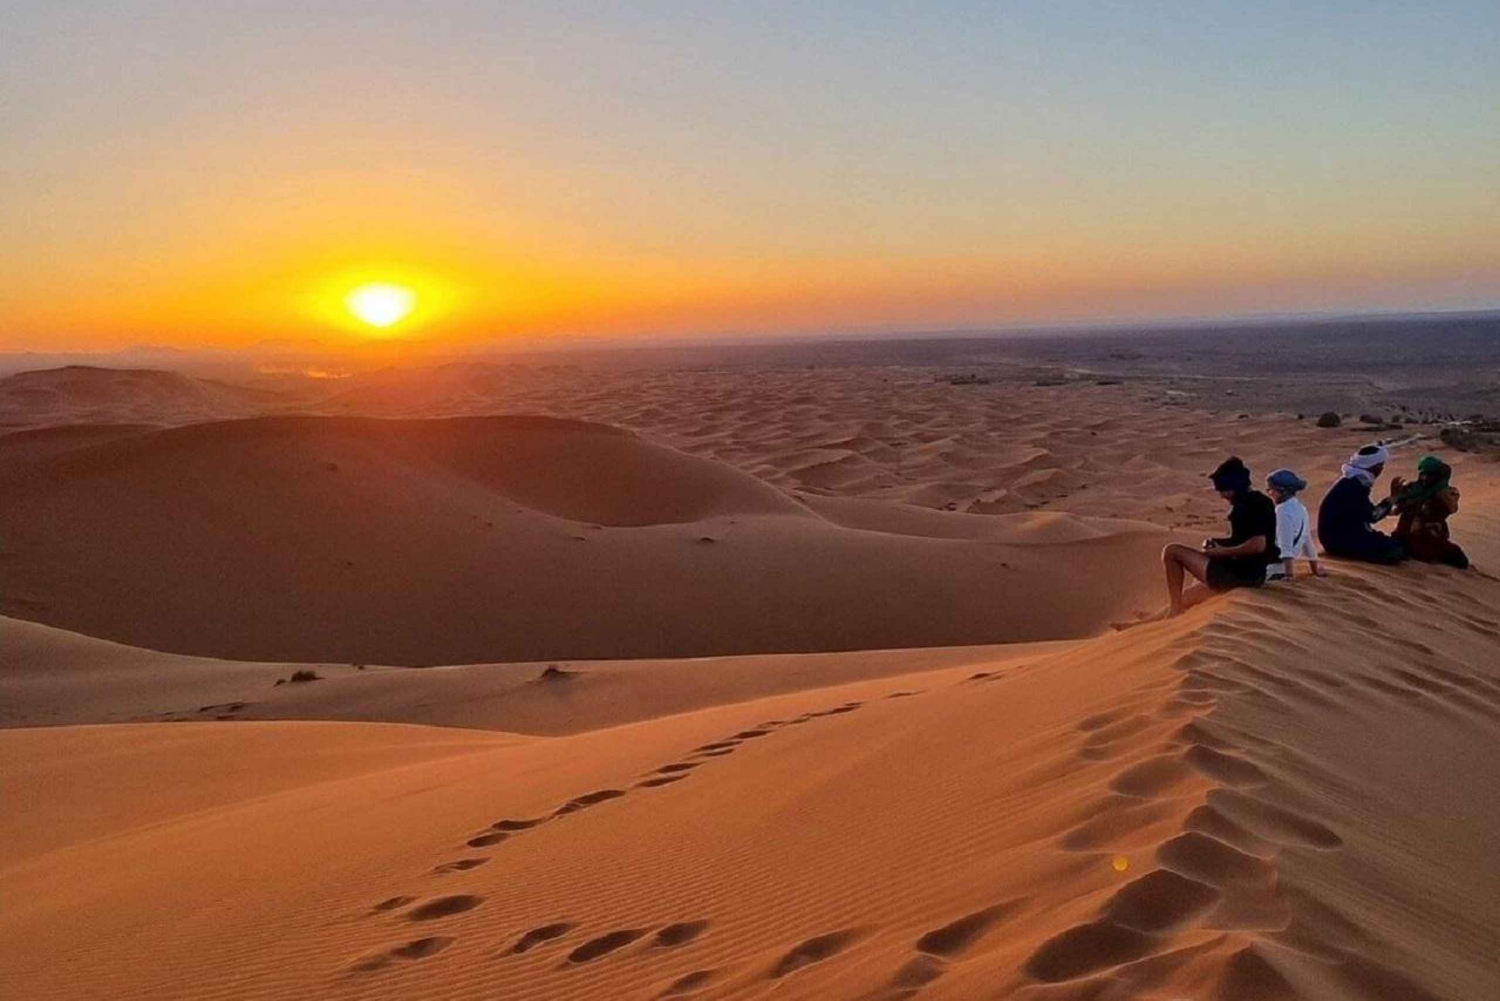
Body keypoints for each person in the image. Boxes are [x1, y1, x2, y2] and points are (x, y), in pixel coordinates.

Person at [1160, 457, 1280, 615]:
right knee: (1189, 594)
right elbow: (1246, 539)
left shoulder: (1250, 505)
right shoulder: (1259, 501)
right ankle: (1144, 622)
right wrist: (1220, 544)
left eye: (1222, 489)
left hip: (1239, 576)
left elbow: (1258, 544)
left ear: (1234, 487)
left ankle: (1175, 611)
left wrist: (1219, 552)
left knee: (1172, 552)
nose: (1221, 495)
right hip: (1250, 574)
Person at [1316, 444, 1406, 564]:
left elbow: (1363, 513)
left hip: (1339, 537)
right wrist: (1393, 498)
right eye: (1380, 465)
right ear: (1375, 467)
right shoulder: (1354, 487)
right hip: (1340, 541)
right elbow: (1372, 516)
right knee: (1396, 551)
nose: (1382, 468)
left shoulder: (1351, 482)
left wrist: (1391, 509)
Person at [1393, 455, 1468, 569]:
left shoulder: (1446, 493)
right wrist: (1396, 495)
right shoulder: (1413, 489)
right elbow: (1397, 508)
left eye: (1429, 475)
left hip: (1432, 538)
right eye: (1423, 474)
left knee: (1459, 559)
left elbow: (1451, 508)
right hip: (1407, 536)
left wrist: (1437, 493)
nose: (1425, 478)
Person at [1264, 468, 1323, 580]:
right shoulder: (1301, 508)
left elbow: (1285, 543)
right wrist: (1315, 569)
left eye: (1271, 490)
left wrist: (1289, 575)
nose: (1270, 494)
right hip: (1282, 567)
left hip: (1273, 569)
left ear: (1282, 490)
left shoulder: (1282, 510)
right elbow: (1308, 542)